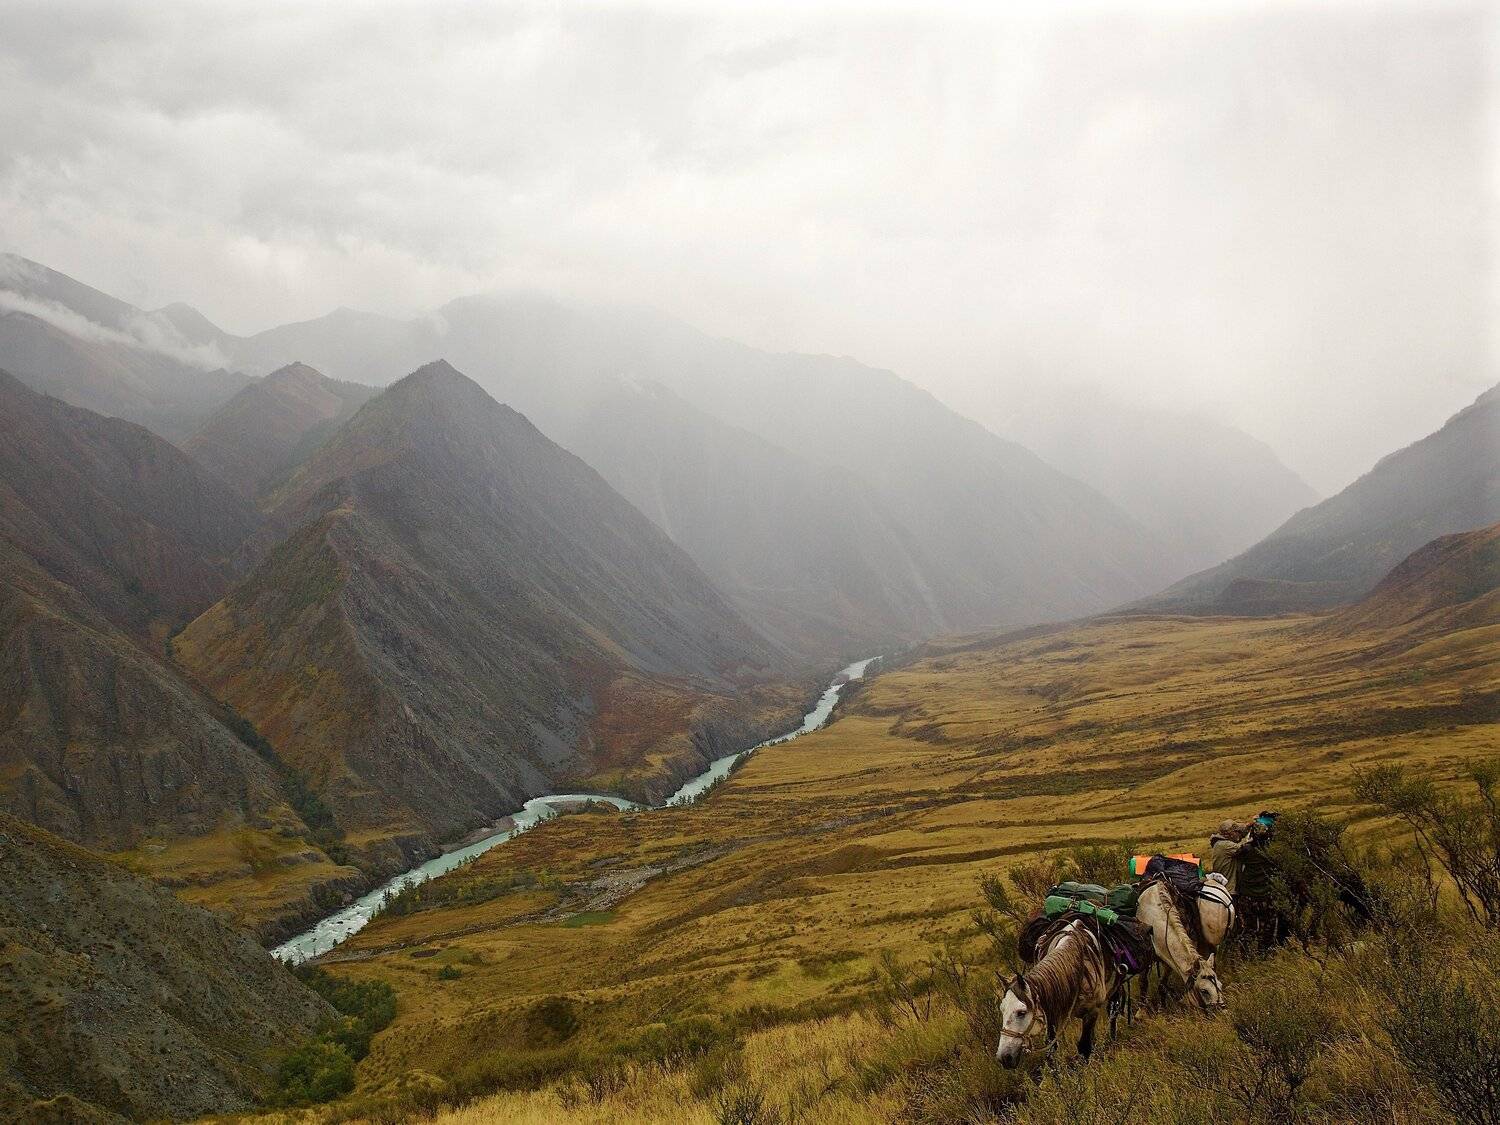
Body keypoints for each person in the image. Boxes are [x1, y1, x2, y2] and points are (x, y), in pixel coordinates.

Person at [1206, 819, 1255, 894]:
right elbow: (1245, 848)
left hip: (1225, 887)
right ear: (1230, 833)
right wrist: (1255, 837)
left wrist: (1248, 826)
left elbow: (1240, 836)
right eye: (1237, 832)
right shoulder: (1225, 845)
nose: (1239, 834)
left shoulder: (1219, 842)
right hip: (1228, 889)